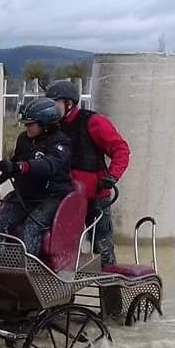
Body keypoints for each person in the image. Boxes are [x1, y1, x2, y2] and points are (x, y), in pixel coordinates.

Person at [44, 80, 130, 266]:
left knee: (101, 245)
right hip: (64, 195)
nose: (49, 108)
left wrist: (112, 176)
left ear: (68, 104)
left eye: (54, 104)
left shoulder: (93, 122)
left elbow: (121, 149)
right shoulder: (52, 126)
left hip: (95, 196)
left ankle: (109, 279)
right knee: (59, 244)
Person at [0, 97, 73, 257]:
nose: (27, 127)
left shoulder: (61, 142)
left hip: (52, 197)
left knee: (31, 227)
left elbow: (49, 165)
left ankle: (27, 267)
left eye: (30, 124)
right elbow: (15, 164)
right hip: (27, 195)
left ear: (45, 124)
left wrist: (19, 166)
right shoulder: (23, 139)